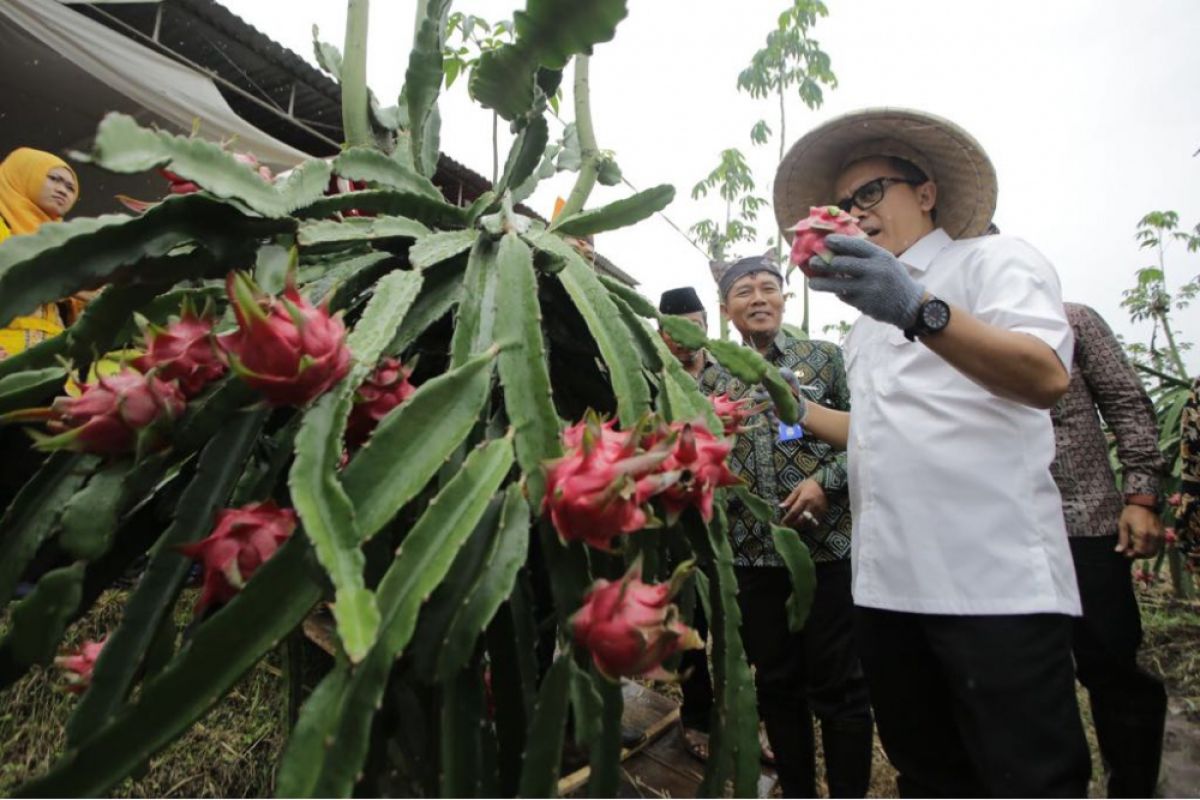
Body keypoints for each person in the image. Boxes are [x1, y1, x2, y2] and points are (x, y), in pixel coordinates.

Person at [774, 108, 1090, 796]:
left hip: (992, 585)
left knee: (1027, 780)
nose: (854, 214)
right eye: (842, 205)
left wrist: (919, 309)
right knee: (929, 776)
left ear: (926, 193)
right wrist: (793, 408)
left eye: (870, 193)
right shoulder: (861, 331)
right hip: (887, 590)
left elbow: (1044, 376)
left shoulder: (992, 262)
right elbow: (878, 434)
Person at [697, 256, 873, 798]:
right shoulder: (707, 378)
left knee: (841, 687)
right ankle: (796, 790)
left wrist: (826, 480)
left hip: (828, 551)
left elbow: (871, 434)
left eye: (768, 288)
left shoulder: (824, 359)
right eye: (743, 291)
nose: (757, 298)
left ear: (784, 298)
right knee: (776, 684)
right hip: (750, 558)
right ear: (727, 311)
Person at [1050, 301, 1167, 797]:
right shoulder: (945, 331)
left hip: (1085, 522)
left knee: (1112, 665)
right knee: (1028, 678)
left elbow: (1125, 399)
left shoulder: (1070, 319)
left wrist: (1141, 495)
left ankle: (1134, 787)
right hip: (997, 532)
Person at [0, 147, 82, 358]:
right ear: (22, 174)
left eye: (71, 188)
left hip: (57, 368)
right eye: (54, 179)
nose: (63, 190)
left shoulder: (69, 249)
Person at [658, 286, 711, 378]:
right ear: (660, 334)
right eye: (674, 331)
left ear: (706, 328)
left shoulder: (730, 369)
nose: (685, 341)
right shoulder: (650, 378)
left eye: (694, 328)